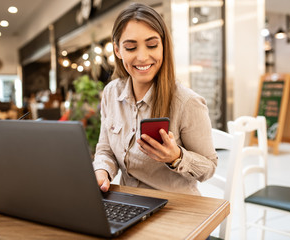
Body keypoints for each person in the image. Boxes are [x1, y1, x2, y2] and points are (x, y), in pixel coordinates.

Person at [93, 3, 217, 196]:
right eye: (131, 47)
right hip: (130, 202)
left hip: (176, 208)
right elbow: (105, 149)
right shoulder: (111, 93)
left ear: (163, 47)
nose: (142, 57)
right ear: (118, 51)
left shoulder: (187, 102)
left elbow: (209, 168)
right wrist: (102, 171)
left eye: (152, 45)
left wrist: (176, 157)